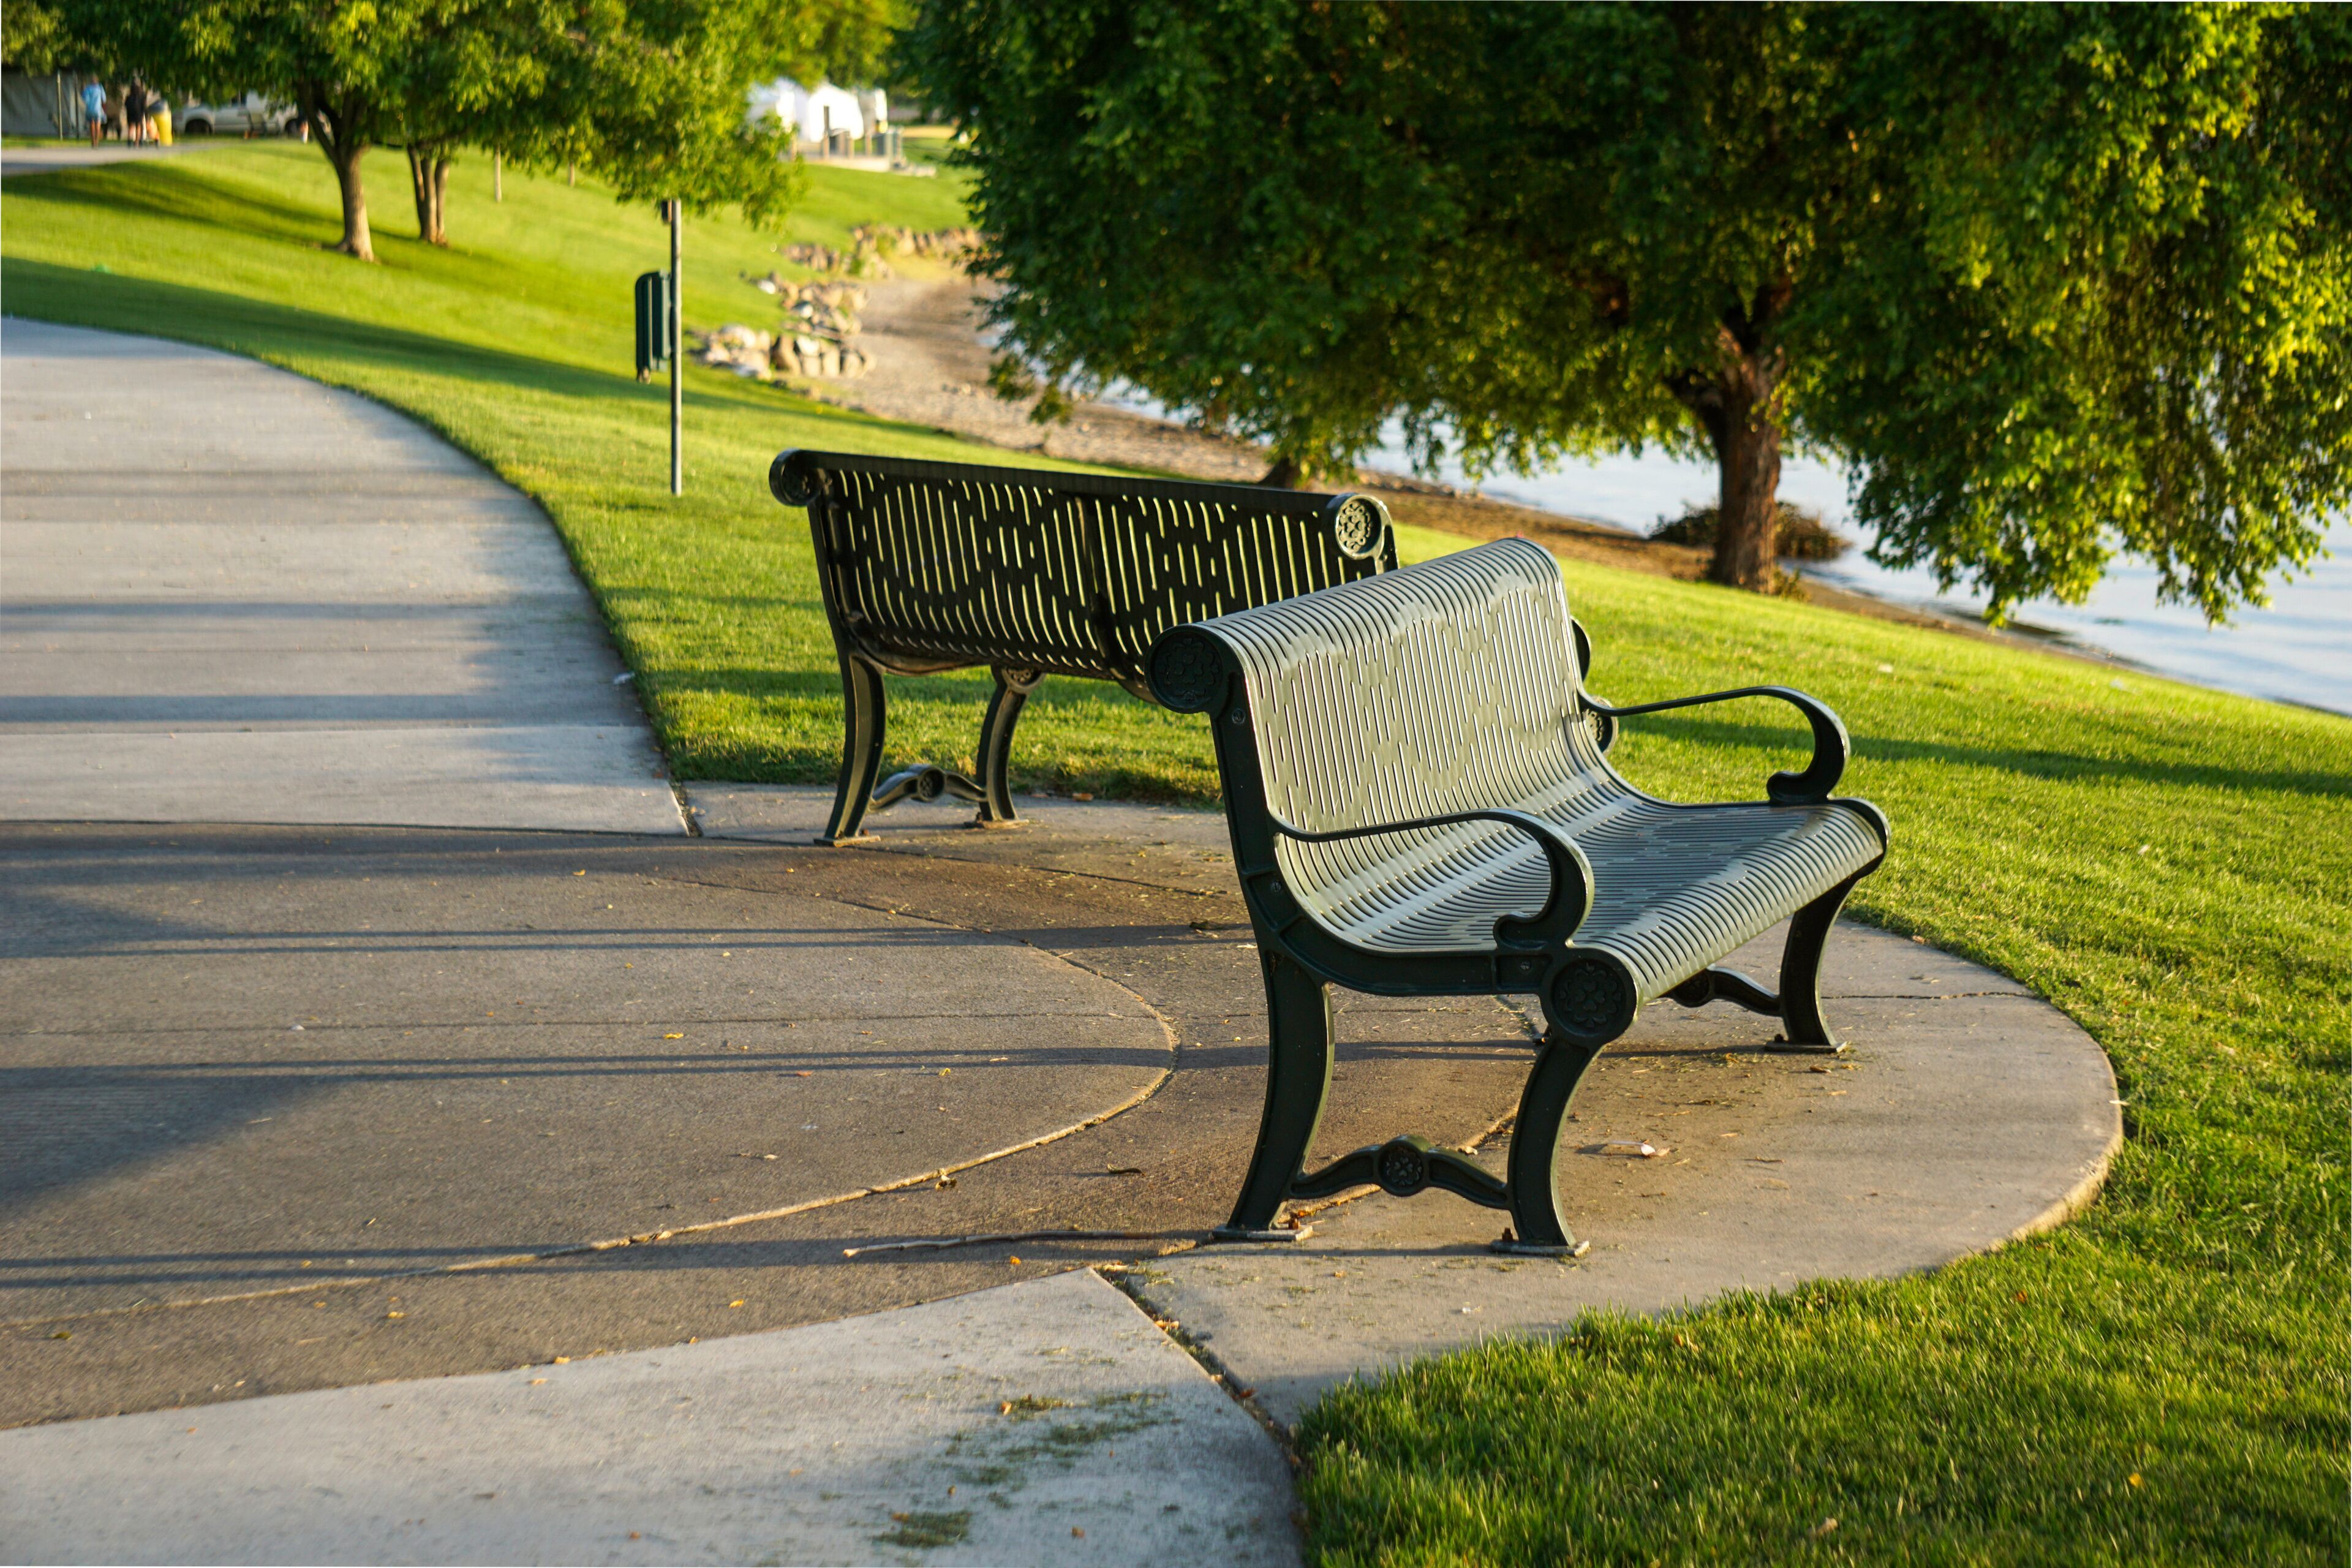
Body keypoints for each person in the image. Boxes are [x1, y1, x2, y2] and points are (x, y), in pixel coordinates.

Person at [81, 80, 105, 148]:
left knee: (92, 124)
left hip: (90, 109)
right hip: (98, 110)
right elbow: (104, 99)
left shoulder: (88, 89)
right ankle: (97, 140)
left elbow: (85, 99)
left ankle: (93, 141)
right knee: (98, 124)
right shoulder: (100, 88)